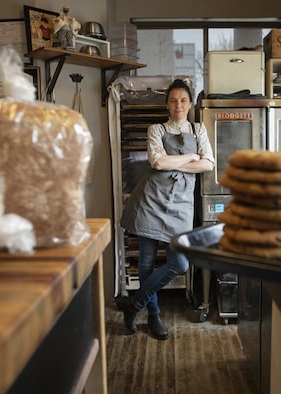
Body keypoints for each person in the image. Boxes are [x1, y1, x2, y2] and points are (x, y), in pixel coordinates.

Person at [117, 79, 215, 340]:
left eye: (183, 100)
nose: (178, 105)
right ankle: (153, 314)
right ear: (167, 105)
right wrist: (190, 158)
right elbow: (158, 163)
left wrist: (176, 162)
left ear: (190, 103)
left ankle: (134, 304)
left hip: (181, 205)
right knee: (147, 262)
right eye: (173, 100)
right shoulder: (156, 129)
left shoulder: (199, 129)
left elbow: (208, 164)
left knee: (179, 263)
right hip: (151, 200)